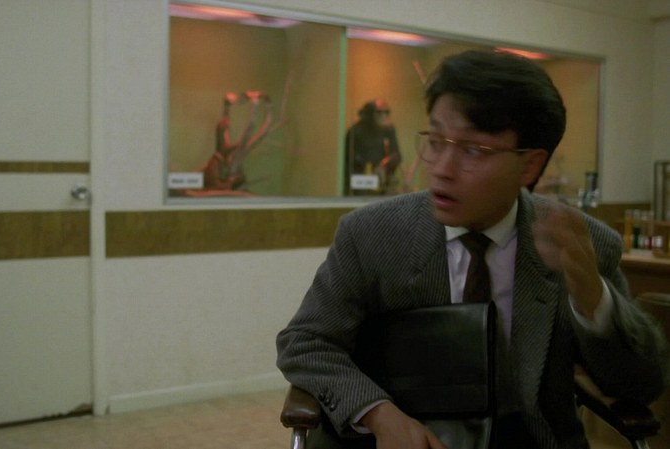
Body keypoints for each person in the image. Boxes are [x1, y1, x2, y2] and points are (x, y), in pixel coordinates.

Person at [276, 50, 669, 449]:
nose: (442, 169)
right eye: (436, 141)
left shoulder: (580, 244)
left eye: (474, 151)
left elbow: (642, 384)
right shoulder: (372, 234)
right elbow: (307, 342)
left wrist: (594, 301)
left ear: (530, 166)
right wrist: (377, 413)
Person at [344, 99, 402, 195]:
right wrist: (370, 168)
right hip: (360, 180)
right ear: (370, 114)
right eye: (379, 112)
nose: (383, 116)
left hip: (382, 180)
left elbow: (396, 155)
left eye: (386, 112)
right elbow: (350, 159)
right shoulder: (356, 132)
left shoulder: (388, 130)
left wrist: (383, 166)